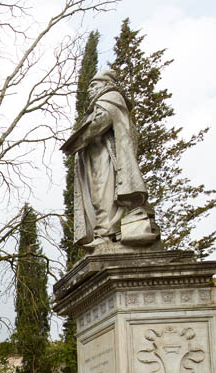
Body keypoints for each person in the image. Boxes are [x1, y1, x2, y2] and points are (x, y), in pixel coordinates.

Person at [62, 68, 159, 252]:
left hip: (107, 159)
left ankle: (105, 234)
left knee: (104, 196)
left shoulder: (111, 98)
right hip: (97, 159)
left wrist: (74, 143)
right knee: (99, 198)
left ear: (106, 85)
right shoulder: (99, 104)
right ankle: (105, 234)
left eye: (94, 85)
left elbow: (100, 123)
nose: (90, 90)